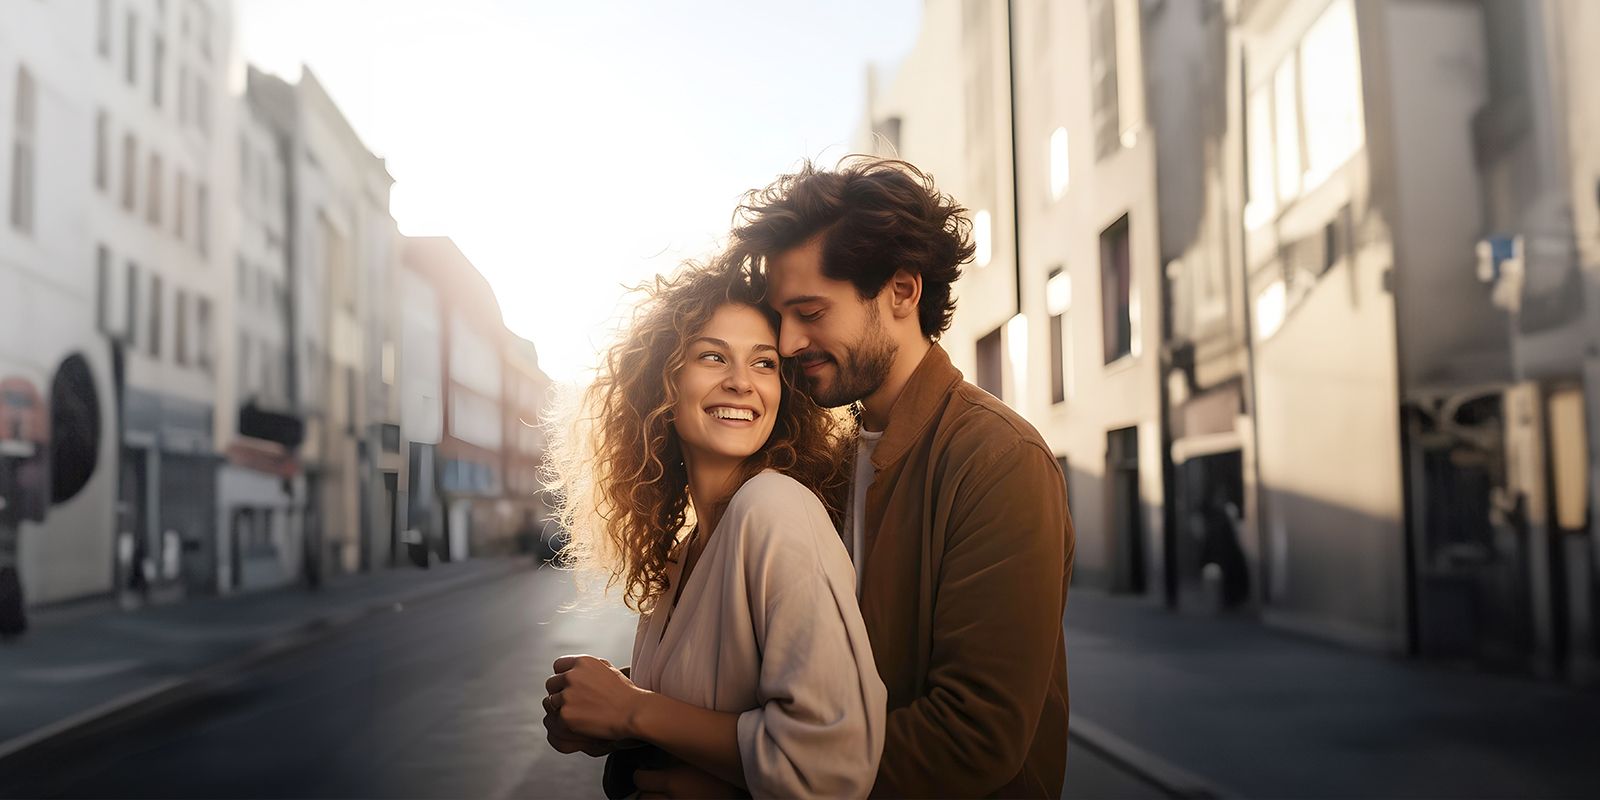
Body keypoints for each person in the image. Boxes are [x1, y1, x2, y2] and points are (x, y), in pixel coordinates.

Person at [729, 157, 1076, 798]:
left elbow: (973, 737)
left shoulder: (998, 459)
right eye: (780, 317)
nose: (787, 341)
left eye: (809, 311)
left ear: (902, 292)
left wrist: (744, 776)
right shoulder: (823, 462)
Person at [540, 264, 886, 798]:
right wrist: (607, 713)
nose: (741, 381)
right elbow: (708, 703)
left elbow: (831, 766)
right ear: (664, 381)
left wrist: (633, 709)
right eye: (712, 356)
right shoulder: (683, 552)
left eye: (764, 362)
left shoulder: (774, 508)